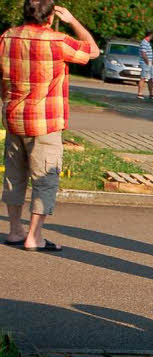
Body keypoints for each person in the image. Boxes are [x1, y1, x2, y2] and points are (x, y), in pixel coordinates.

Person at [0, 0, 98, 251]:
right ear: (51, 16)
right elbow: (93, 51)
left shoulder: (7, 37)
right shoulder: (57, 41)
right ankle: (35, 236)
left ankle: (14, 230)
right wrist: (72, 20)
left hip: (13, 118)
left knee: (14, 176)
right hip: (45, 121)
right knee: (44, 178)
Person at [137, 29, 153, 100]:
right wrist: (148, 62)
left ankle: (151, 94)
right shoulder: (144, 43)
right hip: (145, 63)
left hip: (149, 63)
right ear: (150, 35)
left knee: (150, 78)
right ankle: (140, 93)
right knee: (143, 78)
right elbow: (144, 54)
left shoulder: (147, 43)